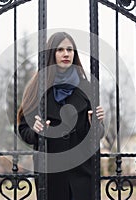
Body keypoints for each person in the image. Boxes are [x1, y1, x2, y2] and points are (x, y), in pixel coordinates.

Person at [17, 32, 104, 200]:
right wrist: (36, 130)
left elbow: (98, 134)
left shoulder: (88, 88)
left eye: (70, 49)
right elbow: (23, 129)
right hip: (51, 173)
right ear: (51, 54)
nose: (66, 54)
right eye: (60, 50)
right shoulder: (36, 88)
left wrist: (96, 125)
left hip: (83, 172)